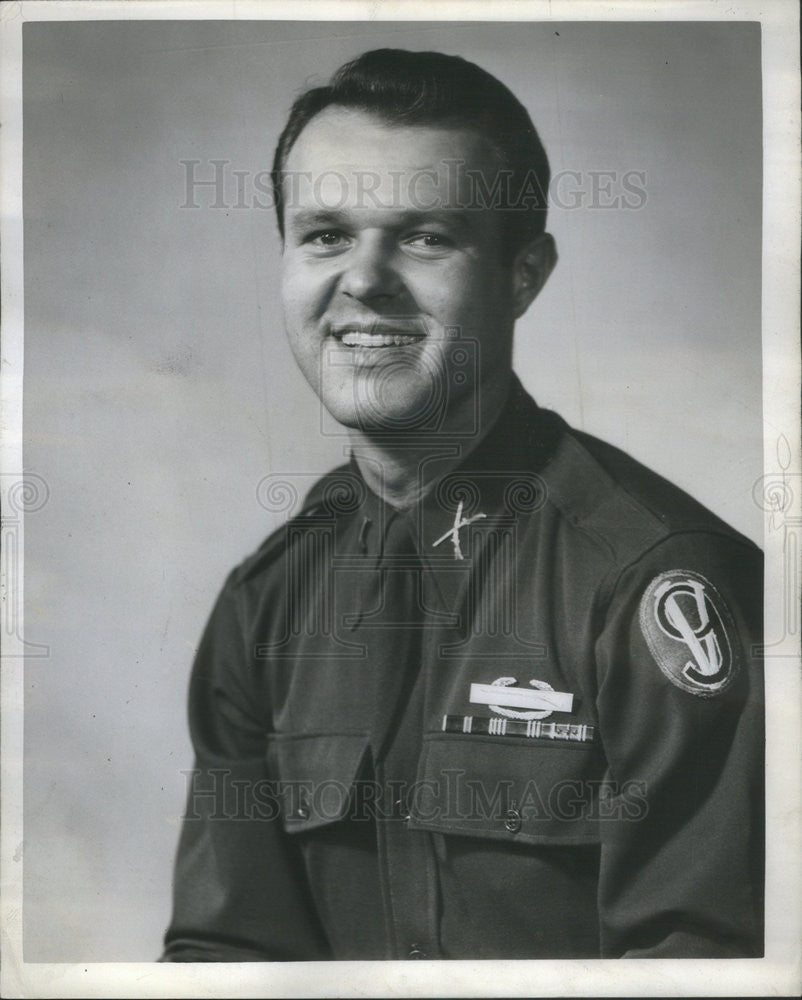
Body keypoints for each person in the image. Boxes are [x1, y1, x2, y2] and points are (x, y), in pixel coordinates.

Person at [161, 48, 764, 961]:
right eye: (324, 234)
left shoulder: (654, 582)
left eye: (425, 236)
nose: (363, 280)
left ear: (524, 275)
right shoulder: (268, 600)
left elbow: (704, 969)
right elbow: (227, 959)